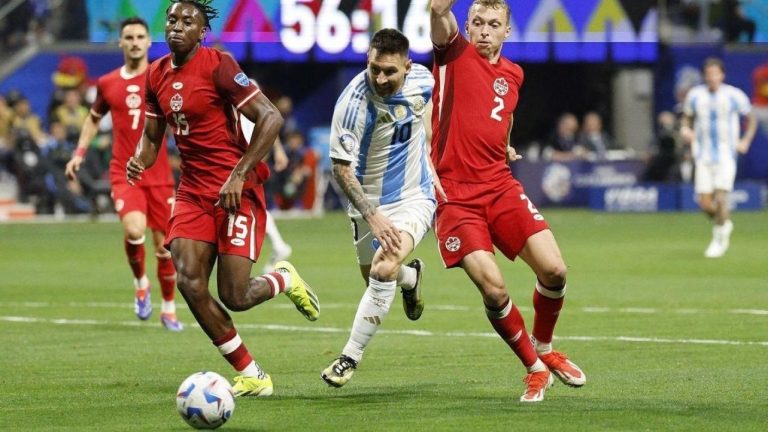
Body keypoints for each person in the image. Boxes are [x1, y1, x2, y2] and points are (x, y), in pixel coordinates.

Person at [126, 0, 319, 397]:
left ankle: (283, 278)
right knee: (190, 281)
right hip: (194, 193)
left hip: (237, 191)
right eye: (172, 19)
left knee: (236, 295)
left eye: (188, 21)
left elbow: (270, 118)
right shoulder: (156, 75)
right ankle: (252, 373)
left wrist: (239, 173)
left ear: (202, 32)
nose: (177, 26)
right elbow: (152, 136)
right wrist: (141, 160)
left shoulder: (220, 65)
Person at [430, 0, 586, 403]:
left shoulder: (514, 73)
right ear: (466, 26)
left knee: (555, 271)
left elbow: (503, 113)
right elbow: (437, 15)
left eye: (493, 24)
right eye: (477, 23)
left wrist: (506, 143)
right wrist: (438, 10)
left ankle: (546, 348)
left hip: (499, 186)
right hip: (455, 197)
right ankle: (534, 368)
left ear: (507, 31)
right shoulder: (453, 52)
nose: (484, 30)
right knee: (495, 291)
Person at [320, 28, 440, 388]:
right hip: (366, 202)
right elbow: (340, 169)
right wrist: (372, 214)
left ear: (408, 66)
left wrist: (431, 159)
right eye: (374, 69)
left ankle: (348, 357)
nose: (380, 78)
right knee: (376, 276)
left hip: (413, 195)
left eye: (389, 71)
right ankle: (412, 277)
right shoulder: (353, 104)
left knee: (383, 268)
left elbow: (431, 111)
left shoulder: (424, 80)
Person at [64, 17, 183, 330]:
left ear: (148, 42)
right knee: (133, 230)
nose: (134, 42)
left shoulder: (163, 78)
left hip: (159, 175)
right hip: (124, 172)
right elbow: (92, 119)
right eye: (128, 37)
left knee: (165, 248)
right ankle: (141, 283)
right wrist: (79, 154)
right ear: (120, 42)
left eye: (140, 36)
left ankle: (169, 308)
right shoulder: (107, 83)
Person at [680, 57, 756, 258]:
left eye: (716, 73)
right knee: (706, 204)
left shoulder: (733, 95)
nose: (712, 77)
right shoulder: (695, 96)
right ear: (704, 76)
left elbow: (751, 117)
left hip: (726, 154)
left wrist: (745, 140)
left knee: (721, 197)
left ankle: (718, 238)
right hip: (702, 154)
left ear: (722, 75)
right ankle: (724, 223)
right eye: (708, 74)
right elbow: (687, 117)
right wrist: (685, 129)